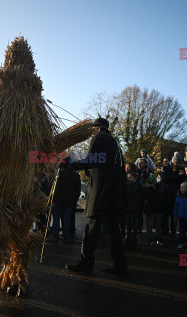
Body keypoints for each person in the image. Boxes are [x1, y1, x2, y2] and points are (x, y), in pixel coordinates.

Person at [63, 117, 128, 275]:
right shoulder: (114, 142)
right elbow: (102, 163)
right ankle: (120, 264)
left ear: (98, 128)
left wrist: (70, 164)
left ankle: (85, 263)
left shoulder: (100, 138)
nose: (91, 134)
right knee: (114, 229)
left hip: (102, 191)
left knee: (92, 226)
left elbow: (92, 159)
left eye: (92, 130)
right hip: (114, 192)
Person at [49, 168, 81, 243]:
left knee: (56, 218)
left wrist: (53, 199)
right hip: (69, 201)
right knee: (67, 219)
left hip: (58, 200)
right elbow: (78, 189)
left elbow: (54, 187)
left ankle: (55, 235)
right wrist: (75, 200)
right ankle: (66, 236)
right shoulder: (76, 175)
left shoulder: (60, 173)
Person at [125, 171, 142, 247]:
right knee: (128, 224)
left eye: (130, 177)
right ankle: (129, 238)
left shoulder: (137, 185)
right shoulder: (129, 185)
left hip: (134, 207)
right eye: (128, 178)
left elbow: (133, 194)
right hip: (128, 207)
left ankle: (134, 239)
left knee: (133, 223)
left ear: (135, 178)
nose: (129, 179)